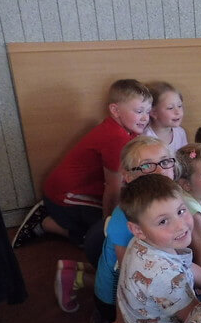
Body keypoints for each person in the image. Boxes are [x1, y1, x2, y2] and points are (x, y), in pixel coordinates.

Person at [12, 79, 152, 249]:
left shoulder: (124, 130)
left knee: (125, 220)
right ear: (115, 110)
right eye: (139, 111)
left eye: (148, 111)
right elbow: (112, 189)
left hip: (80, 192)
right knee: (99, 238)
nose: (145, 117)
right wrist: (107, 226)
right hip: (65, 195)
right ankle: (44, 222)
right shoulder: (116, 138)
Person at [81, 136, 177, 323]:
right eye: (147, 165)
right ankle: (110, 322)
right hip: (117, 297)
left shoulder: (168, 200)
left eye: (165, 162)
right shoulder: (125, 219)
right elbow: (128, 280)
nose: (159, 171)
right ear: (128, 176)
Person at [117, 173, 201, 323]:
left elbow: (187, 267)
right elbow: (197, 319)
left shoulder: (144, 242)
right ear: (137, 229)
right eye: (164, 221)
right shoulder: (163, 275)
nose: (180, 225)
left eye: (181, 211)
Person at [143, 81, 188, 154]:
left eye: (179, 106)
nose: (177, 112)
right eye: (170, 108)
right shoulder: (145, 137)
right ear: (154, 113)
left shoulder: (180, 133)